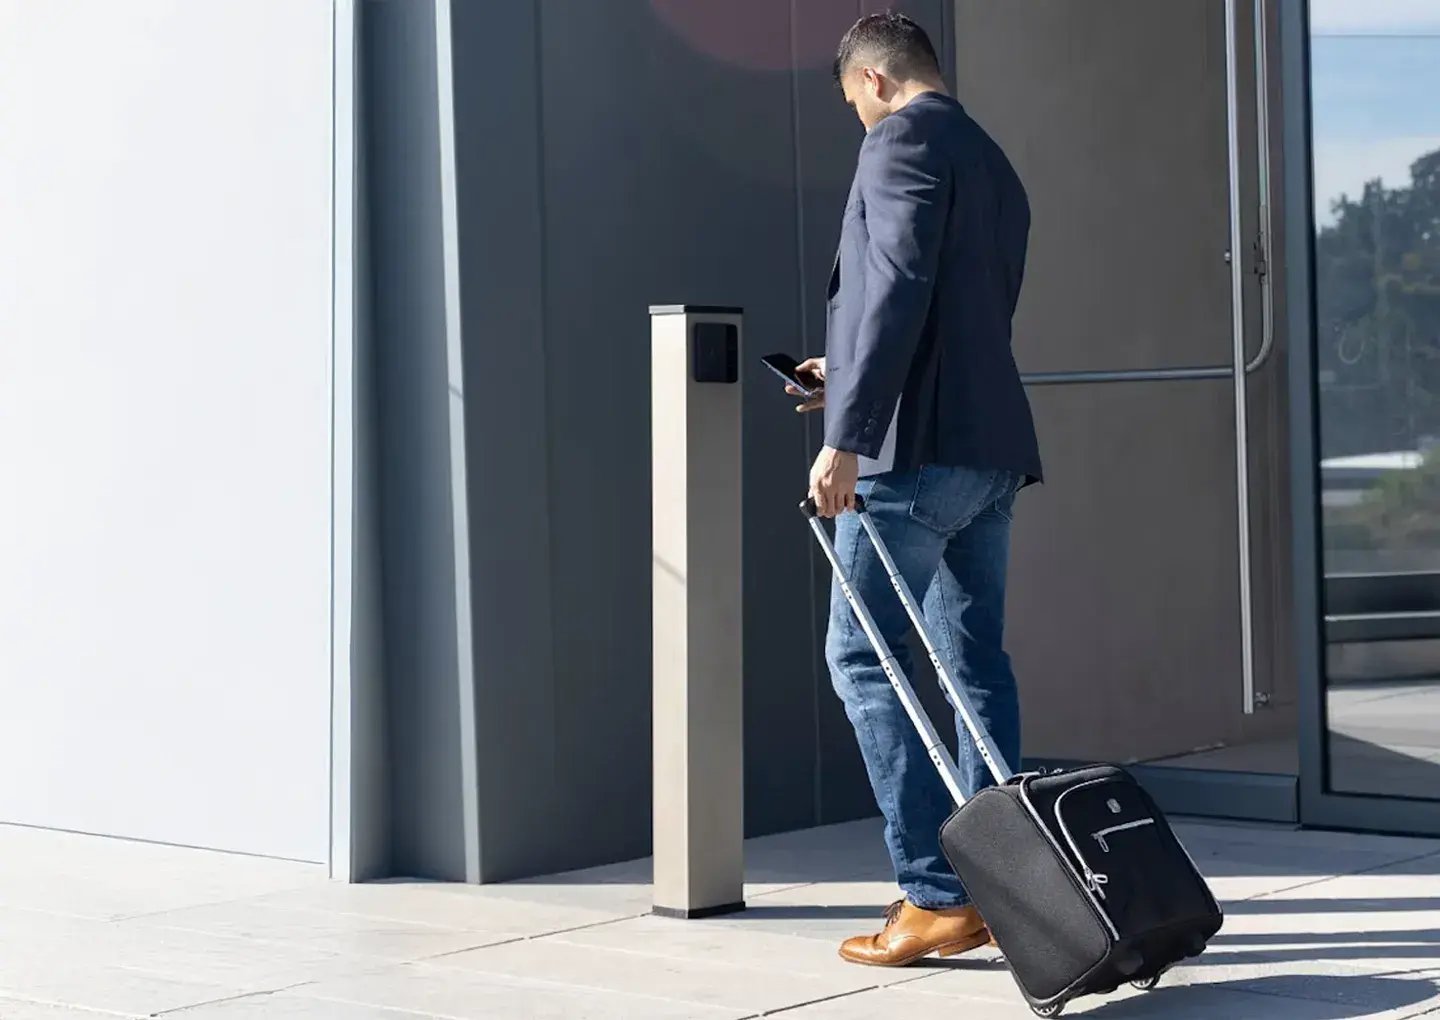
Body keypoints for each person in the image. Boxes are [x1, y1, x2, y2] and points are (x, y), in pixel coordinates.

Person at [786, 12, 1042, 967]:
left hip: (914, 459)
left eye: (853, 99)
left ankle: (935, 894)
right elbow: (957, 311)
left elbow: (892, 283)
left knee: (861, 658)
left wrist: (848, 435)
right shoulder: (990, 158)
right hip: (989, 448)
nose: (857, 115)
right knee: (973, 670)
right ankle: (1014, 893)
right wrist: (841, 371)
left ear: (875, 82)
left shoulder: (898, 143)